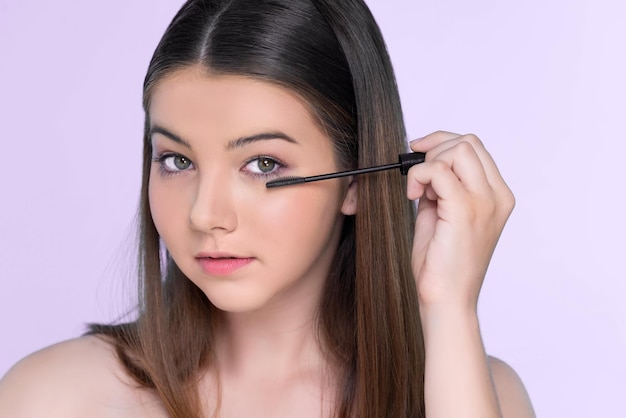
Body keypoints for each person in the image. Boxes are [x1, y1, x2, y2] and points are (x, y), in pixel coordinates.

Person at [0, 0, 535, 416]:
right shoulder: (53, 398)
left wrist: (447, 308)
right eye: (177, 161)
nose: (206, 215)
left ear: (356, 183)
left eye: (262, 164)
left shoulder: (473, 390)